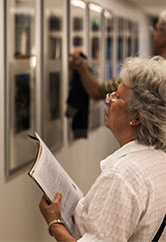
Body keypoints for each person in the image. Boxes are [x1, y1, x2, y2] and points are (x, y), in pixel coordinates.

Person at [39, 56, 166, 241]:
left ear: (137, 117)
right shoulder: (159, 159)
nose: (108, 100)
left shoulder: (121, 176)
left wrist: (55, 222)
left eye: (117, 97)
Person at [71, 10, 166, 100]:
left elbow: (97, 92)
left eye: (156, 29)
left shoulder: (148, 74)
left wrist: (81, 67)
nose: (153, 33)